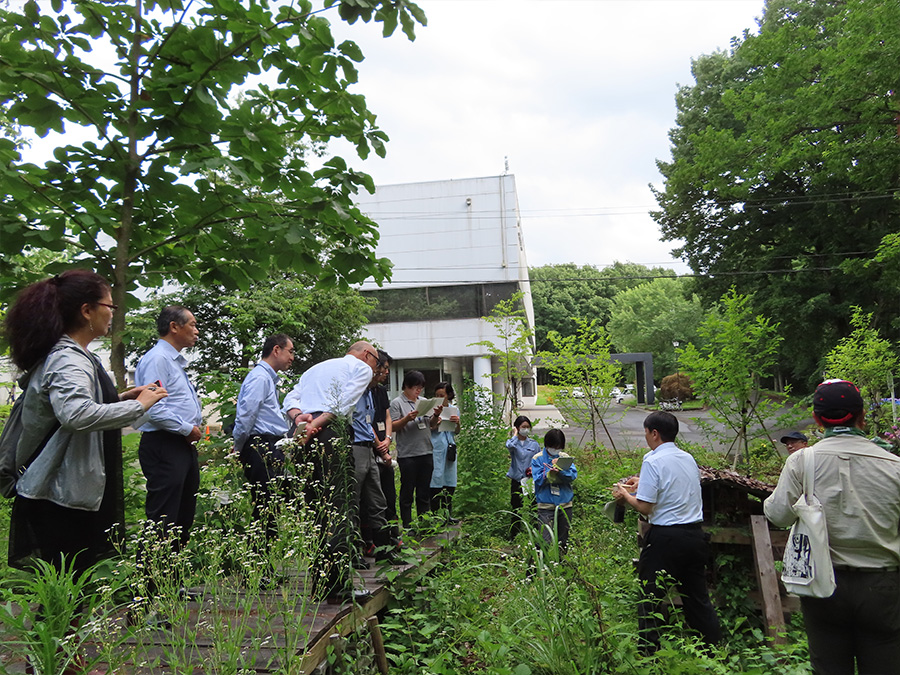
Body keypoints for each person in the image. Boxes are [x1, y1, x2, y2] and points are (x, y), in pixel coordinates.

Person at [5, 270, 168, 577]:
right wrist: (137, 406)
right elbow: (76, 416)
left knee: (70, 586)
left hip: (65, 490)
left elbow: (66, 410)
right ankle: (57, 628)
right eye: (110, 306)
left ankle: (62, 627)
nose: (112, 313)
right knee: (68, 588)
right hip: (60, 494)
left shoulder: (76, 355)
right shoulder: (69, 359)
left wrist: (120, 398)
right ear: (87, 310)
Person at [765, 379, 900, 675]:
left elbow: (778, 516)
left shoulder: (802, 461)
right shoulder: (894, 465)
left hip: (824, 584)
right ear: (862, 415)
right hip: (883, 587)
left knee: (828, 668)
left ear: (816, 419)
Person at [612, 411, 721, 653]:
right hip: (694, 537)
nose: (646, 437)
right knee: (697, 600)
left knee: (649, 598)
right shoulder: (687, 458)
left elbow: (645, 506)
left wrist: (625, 494)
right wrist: (643, 482)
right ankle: (713, 653)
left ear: (654, 433)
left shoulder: (652, 460)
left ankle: (648, 655)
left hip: (666, 538)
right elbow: (673, 486)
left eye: (646, 432)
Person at [282, 341, 378, 603]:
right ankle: (337, 586)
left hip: (301, 432)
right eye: (377, 362)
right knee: (339, 507)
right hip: (328, 433)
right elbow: (342, 403)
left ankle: (320, 583)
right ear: (367, 355)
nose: (376, 370)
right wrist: (317, 424)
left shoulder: (315, 368)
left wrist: (299, 417)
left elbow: (291, 397)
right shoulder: (361, 367)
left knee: (316, 508)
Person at [135, 306, 203, 553]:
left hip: (181, 444)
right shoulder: (158, 359)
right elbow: (152, 407)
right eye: (192, 324)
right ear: (174, 326)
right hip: (165, 444)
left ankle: (172, 584)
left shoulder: (173, 361)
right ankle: (151, 587)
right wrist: (187, 429)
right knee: (164, 516)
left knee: (182, 516)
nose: (196, 331)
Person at [232, 334, 294, 543]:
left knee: (271, 505)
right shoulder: (260, 377)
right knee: (265, 505)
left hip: (269, 444)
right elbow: (246, 415)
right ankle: (260, 569)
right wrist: (239, 448)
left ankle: (265, 567)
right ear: (276, 350)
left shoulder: (267, 378)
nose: (292, 357)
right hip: (260, 445)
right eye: (290, 351)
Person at [349, 360, 399, 565]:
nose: (381, 375)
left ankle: (384, 550)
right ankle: (352, 553)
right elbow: (359, 423)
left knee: (378, 499)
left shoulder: (372, 393)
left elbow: (372, 419)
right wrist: (380, 445)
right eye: (378, 372)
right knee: (354, 501)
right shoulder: (355, 391)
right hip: (357, 447)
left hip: (369, 449)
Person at [390, 370, 442, 530]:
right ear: (406, 386)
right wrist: (407, 418)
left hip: (426, 451)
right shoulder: (397, 403)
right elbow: (392, 426)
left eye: (420, 388)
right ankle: (407, 525)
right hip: (408, 454)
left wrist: (436, 416)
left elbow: (431, 425)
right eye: (415, 387)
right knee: (407, 491)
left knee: (424, 491)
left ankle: (424, 524)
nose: (418, 391)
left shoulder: (424, 401)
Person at [531, 428, 577, 553]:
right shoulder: (538, 458)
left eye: (559, 447)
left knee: (563, 540)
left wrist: (562, 471)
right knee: (544, 540)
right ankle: (538, 567)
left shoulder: (565, 458)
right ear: (547, 445)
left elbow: (573, 476)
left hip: (564, 504)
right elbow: (538, 479)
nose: (556, 450)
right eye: (553, 447)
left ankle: (561, 567)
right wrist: (549, 472)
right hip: (546, 505)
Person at [430, 382, 460, 524]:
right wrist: (436, 418)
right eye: (437, 396)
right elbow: (430, 427)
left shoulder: (454, 409)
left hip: (450, 447)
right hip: (436, 447)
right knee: (436, 479)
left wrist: (457, 423)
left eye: (442, 395)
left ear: (448, 395)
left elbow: (457, 431)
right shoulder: (432, 409)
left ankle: (448, 514)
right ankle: (436, 515)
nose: (439, 398)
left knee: (450, 480)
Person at [506, 415, 539, 537]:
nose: (525, 429)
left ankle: (534, 532)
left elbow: (538, 460)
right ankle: (514, 533)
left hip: (530, 479)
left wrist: (533, 470)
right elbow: (509, 446)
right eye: (523, 427)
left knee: (533, 505)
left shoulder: (533, 444)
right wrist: (514, 434)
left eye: (527, 427)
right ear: (517, 428)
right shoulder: (513, 443)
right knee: (516, 506)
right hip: (517, 478)